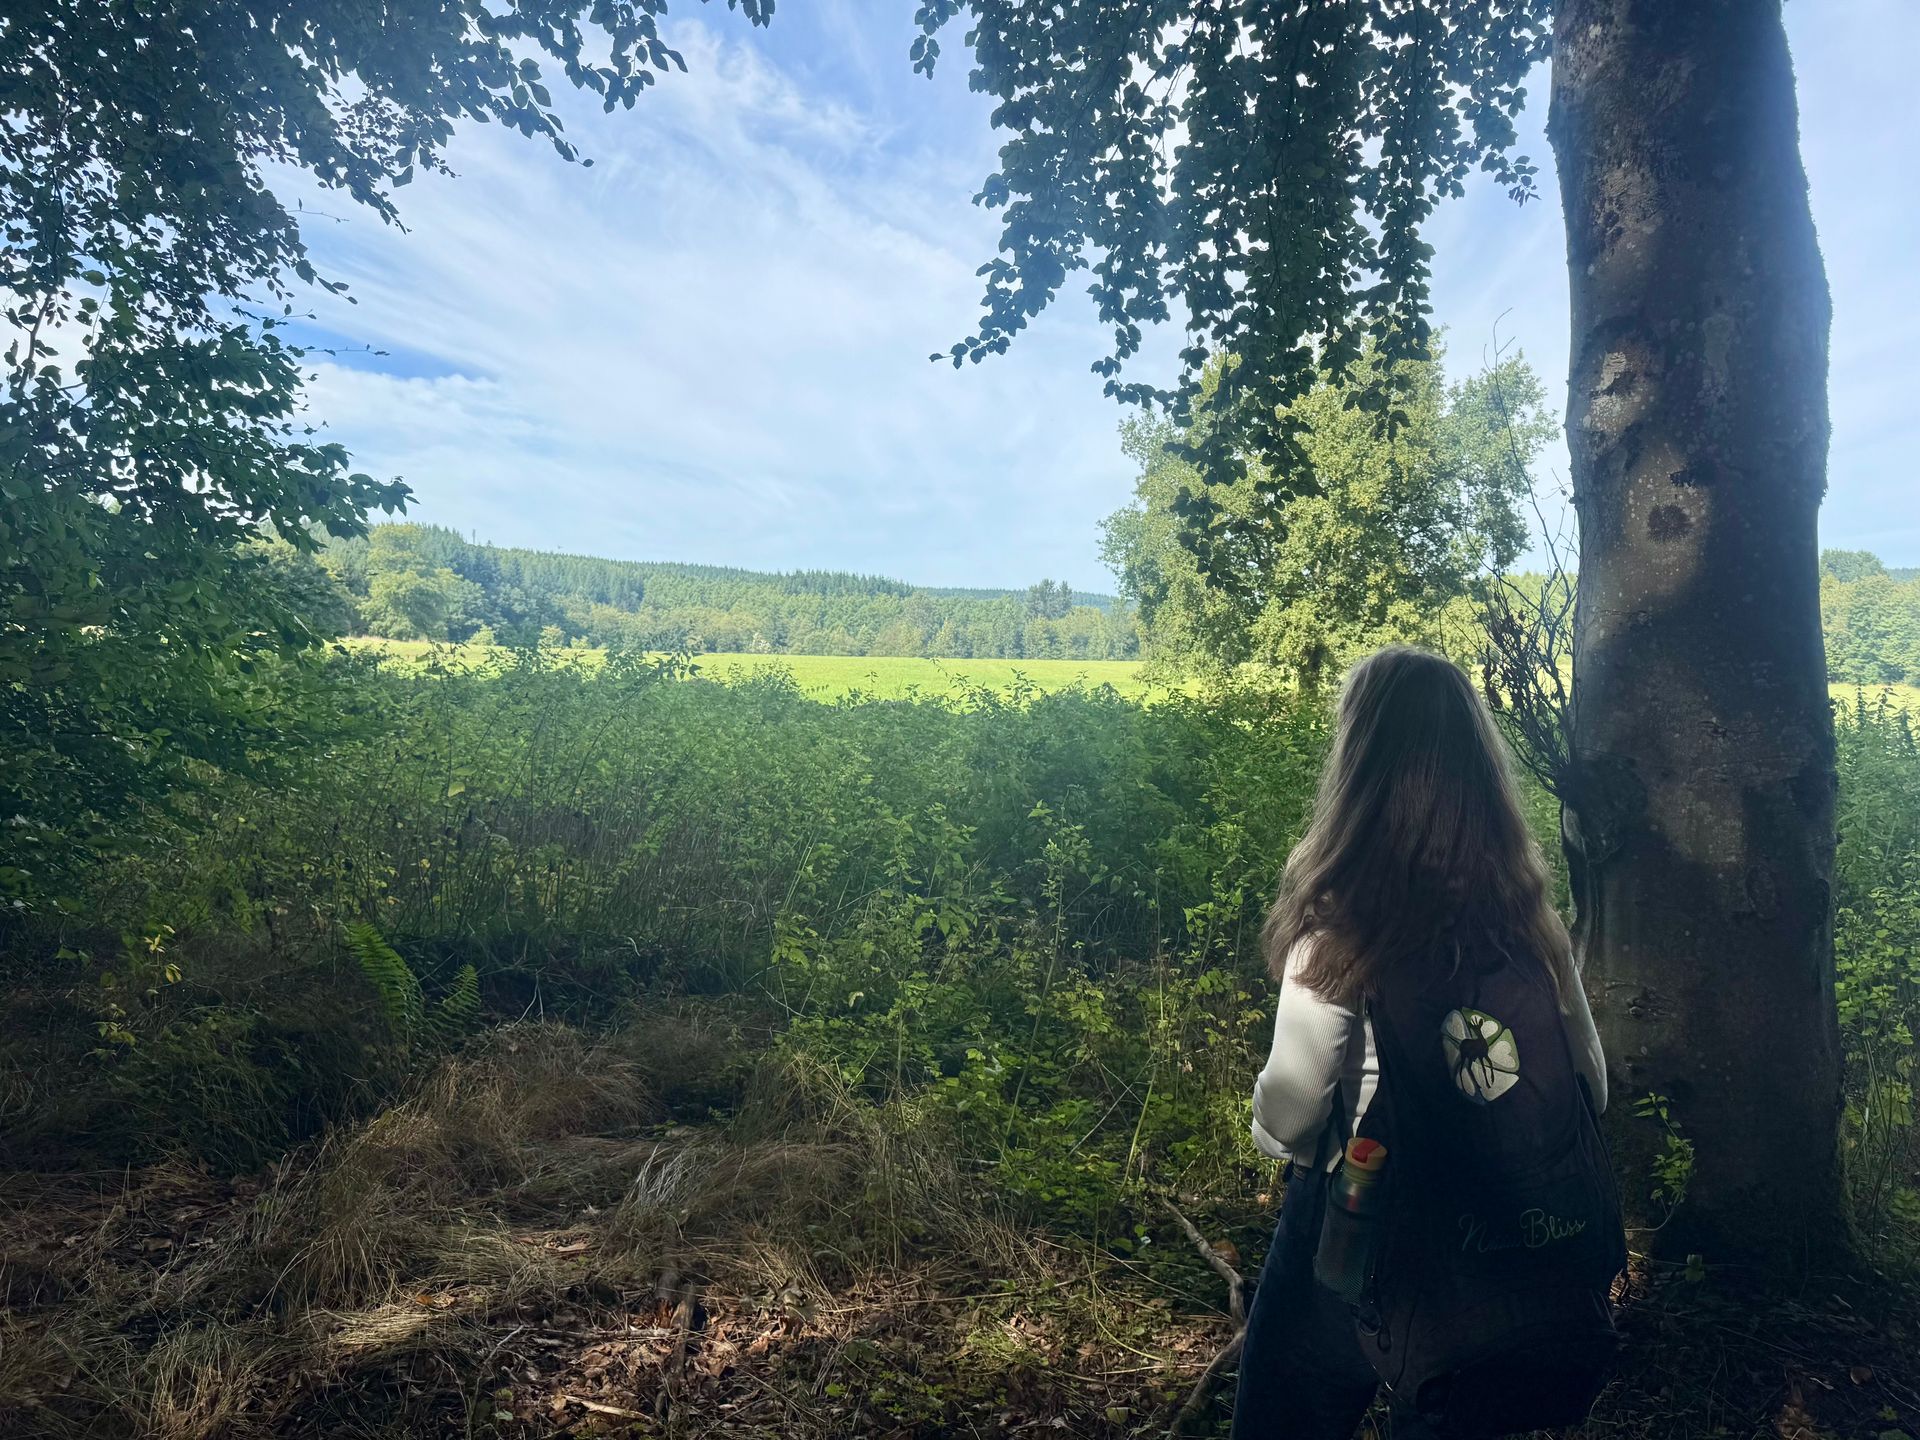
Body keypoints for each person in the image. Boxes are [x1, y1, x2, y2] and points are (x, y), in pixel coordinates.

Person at [1231, 646, 1609, 1440]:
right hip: (1497, 1237)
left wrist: (1265, 1124)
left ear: (1358, 769)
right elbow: (1591, 1091)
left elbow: (1294, 1117)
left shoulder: (1339, 930)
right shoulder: (1529, 926)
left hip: (1359, 1215)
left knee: (1285, 1416)